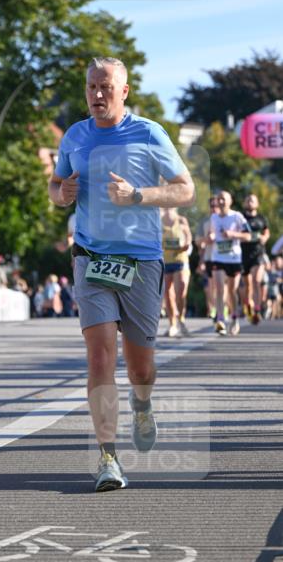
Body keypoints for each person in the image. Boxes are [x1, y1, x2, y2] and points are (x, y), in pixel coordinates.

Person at [48, 56, 194, 493]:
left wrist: (139, 195)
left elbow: (185, 189)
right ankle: (108, 457)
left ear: (124, 91)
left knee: (141, 369)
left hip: (142, 260)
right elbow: (56, 189)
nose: (96, 94)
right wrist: (63, 192)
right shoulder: (75, 135)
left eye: (105, 87)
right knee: (98, 354)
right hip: (91, 255)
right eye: (91, 86)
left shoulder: (149, 133)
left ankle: (143, 404)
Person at [206, 191, 250, 336]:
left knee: (232, 291)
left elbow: (248, 236)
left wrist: (233, 235)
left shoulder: (237, 216)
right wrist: (210, 237)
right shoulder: (213, 217)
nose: (221, 202)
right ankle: (220, 320)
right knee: (219, 288)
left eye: (224, 199)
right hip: (218, 258)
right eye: (219, 199)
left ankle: (234, 318)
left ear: (230, 201)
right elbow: (211, 234)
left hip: (234, 259)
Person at [161, 207, 192, 336]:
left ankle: (181, 319)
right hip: (165, 261)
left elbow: (189, 239)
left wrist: (185, 246)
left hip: (180, 260)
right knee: (168, 294)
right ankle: (172, 323)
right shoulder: (158, 221)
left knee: (180, 292)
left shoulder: (181, 220)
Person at [240, 193, 270, 325]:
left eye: (252, 200)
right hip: (243, 255)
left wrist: (265, 237)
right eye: (247, 200)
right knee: (248, 285)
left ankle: (257, 310)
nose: (250, 202)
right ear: (244, 203)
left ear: (257, 203)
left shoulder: (261, 218)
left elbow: (266, 231)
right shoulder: (240, 218)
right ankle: (248, 307)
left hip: (258, 254)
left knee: (256, 280)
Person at [195, 195, 220, 319]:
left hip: (225, 258)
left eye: (217, 205)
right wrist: (207, 239)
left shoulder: (227, 219)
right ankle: (214, 308)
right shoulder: (204, 222)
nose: (214, 208)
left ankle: (222, 307)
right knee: (210, 285)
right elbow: (198, 242)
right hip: (209, 257)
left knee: (222, 284)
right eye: (212, 206)